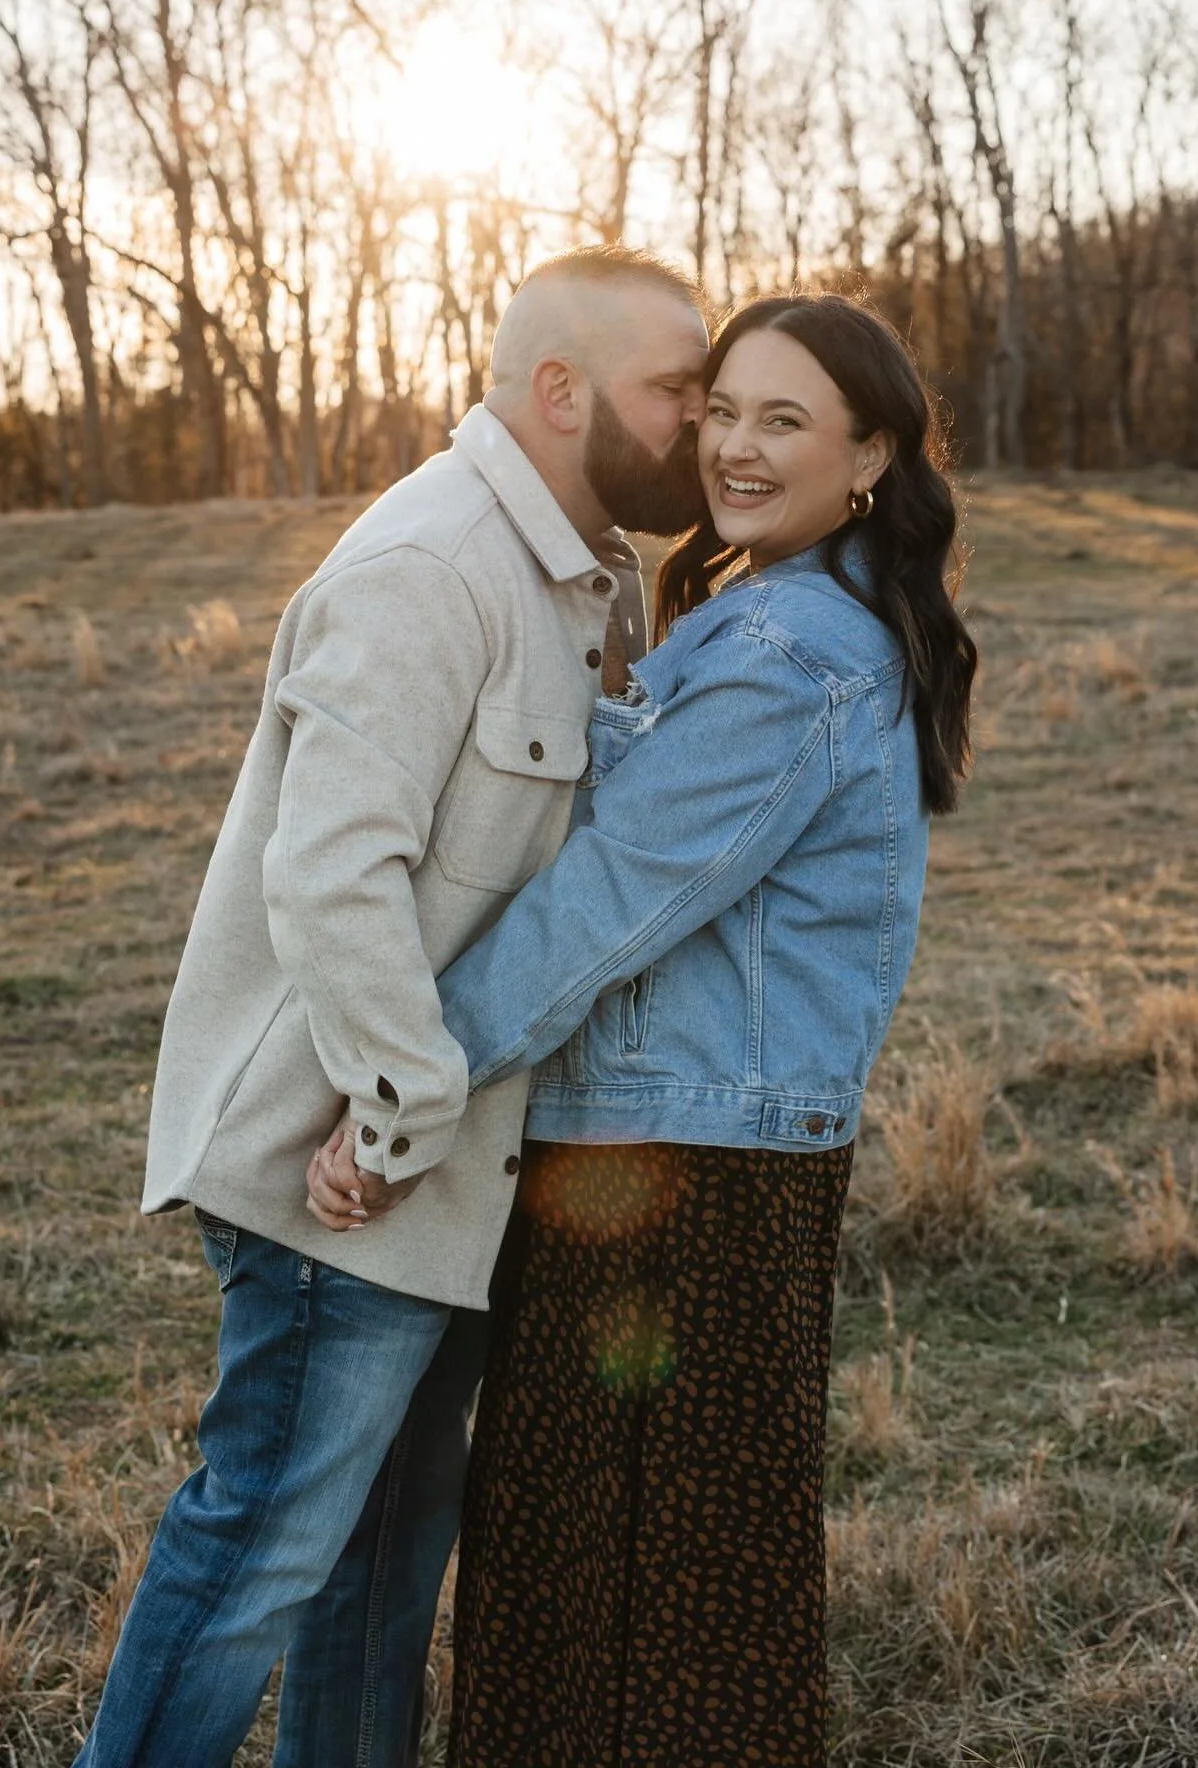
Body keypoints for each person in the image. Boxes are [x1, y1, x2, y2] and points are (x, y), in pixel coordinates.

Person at [316, 291, 977, 1766]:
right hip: (692, 1151)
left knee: (621, 1580)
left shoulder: (791, 649)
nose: (733, 448)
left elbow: (603, 908)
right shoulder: (789, 609)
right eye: (723, 408)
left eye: (784, 422)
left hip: (678, 1170)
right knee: (660, 1570)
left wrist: (395, 1098)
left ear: (871, 455)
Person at [72, 245, 710, 1768]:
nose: (704, 421)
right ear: (562, 392)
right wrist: (402, 1114)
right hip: (343, 1175)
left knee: (379, 1572)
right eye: (677, 390)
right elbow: (333, 878)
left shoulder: (575, 569)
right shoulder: (432, 572)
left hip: (432, 1176)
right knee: (259, 1552)